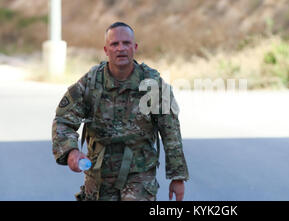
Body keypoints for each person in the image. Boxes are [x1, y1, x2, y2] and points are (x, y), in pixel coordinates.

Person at [51, 22, 189, 201]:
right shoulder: (91, 83)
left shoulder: (152, 84)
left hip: (139, 174)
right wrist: (70, 151)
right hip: (99, 176)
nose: (121, 48)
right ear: (106, 50)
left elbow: (171, 132)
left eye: (126, 43)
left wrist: (177, 177)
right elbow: (63, 120)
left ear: (135, 47)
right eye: (114, 44)